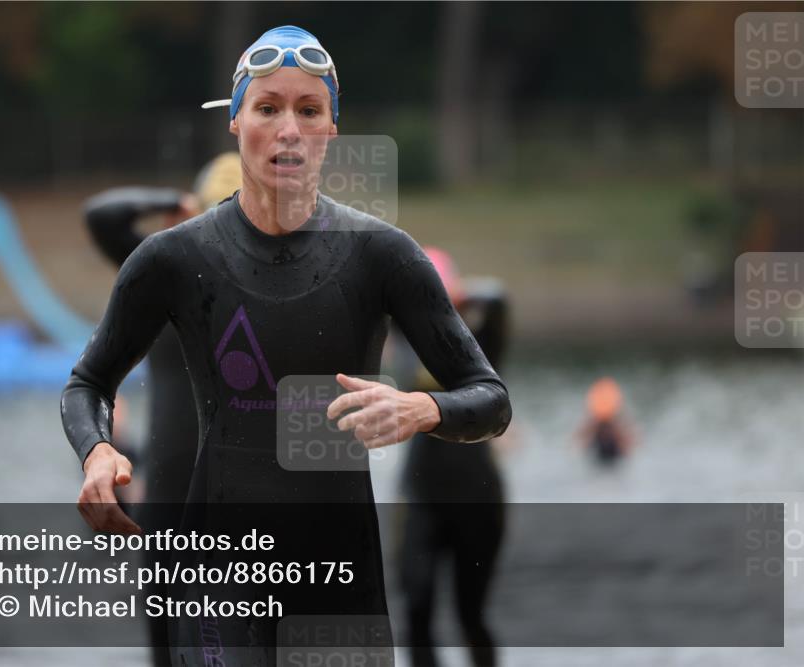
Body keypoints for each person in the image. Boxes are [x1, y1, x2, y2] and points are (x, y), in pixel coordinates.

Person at [61, 25, 511, 665]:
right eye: (268, 108)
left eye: (309, 110)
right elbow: (88, 383)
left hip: (340, 581)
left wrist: (423, 408)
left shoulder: (382, 255)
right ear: (236, 120)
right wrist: (98, 450)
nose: (289, 130)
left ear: (332, 127)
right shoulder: (173, 259)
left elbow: (491, 399)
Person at [81, 154, 242, 666]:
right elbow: (102, 216)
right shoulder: (168, 274)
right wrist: (173, 202)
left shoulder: (281, 284)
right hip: (169, 510)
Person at [391, 248, 509, 667]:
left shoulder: (480, 350)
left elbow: (498, 299)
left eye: (435, 298)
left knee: (470, 613)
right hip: (421, 492)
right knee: (416, 606)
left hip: (477, 496)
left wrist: (455, 293)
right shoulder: (404, 337)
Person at [575, 377, 636, 467]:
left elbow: (628, 442)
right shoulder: (597, 424)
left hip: (610, 453)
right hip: (602, 453)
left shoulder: (613, 425)